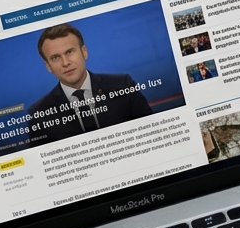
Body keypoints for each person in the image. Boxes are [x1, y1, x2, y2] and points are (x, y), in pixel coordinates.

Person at [26, 24, 154, 147]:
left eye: (70, 52)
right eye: (55, 58)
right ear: (48, 66)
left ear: (84, 52)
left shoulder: (122, 85)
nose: (65, 63)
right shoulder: (39, 113)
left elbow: (152, 131)